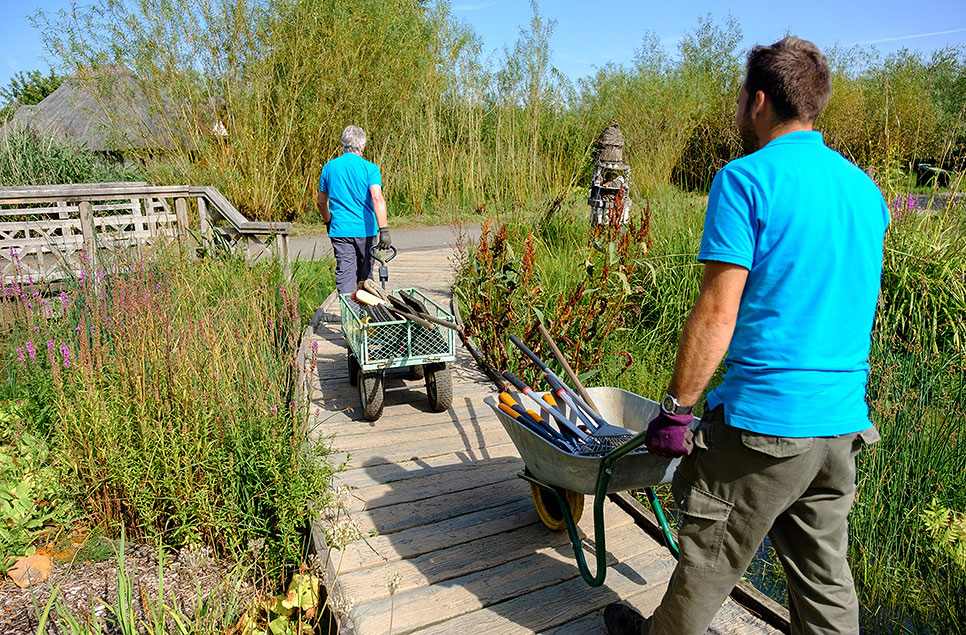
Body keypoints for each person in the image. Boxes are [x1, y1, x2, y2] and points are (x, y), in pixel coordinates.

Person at [605, 37, 890, 635]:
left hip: (764, 428)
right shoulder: (865, 192)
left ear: (757, 101)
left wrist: (676, 411)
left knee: (707, 563)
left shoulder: (746, 180)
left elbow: (716, 312)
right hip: (841, 428)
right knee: (826, 583)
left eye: (740, 98)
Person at [317, 125, 392, 295]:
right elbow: (377, 198)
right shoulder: (370, 168)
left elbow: (321, 202)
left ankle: (350, 319)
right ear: (363, 146)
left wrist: (328, 221)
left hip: (340, 231)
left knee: (345, 275)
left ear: (343, 145)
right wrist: (384, 230)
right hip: (366, 231)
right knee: (366, 276)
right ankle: (367, 316)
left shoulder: (329, 168)